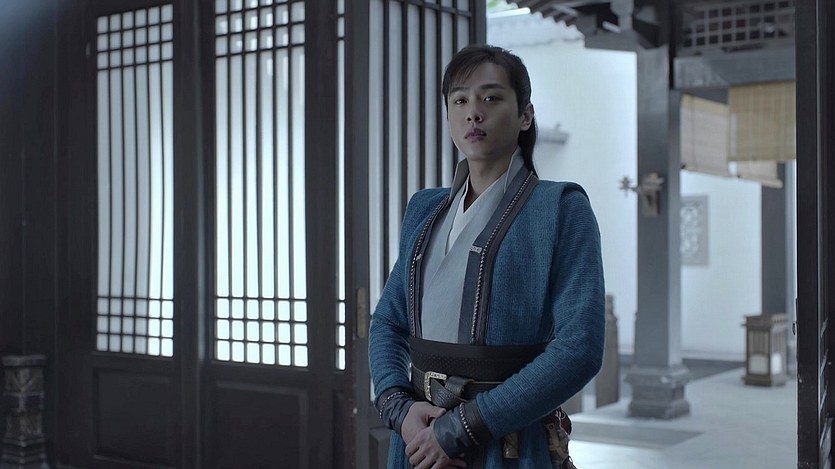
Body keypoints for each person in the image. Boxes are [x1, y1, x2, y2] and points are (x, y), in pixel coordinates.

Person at [369, 44, 605, 469]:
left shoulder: (560, 208)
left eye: (491, 98)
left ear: (525, 115)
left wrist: (462, 427)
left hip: (507, 440)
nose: (473, 113)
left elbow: (580, 348)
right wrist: (398, 407)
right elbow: (388, 321)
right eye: (459, 100)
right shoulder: (424, 209)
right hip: (417, 439)